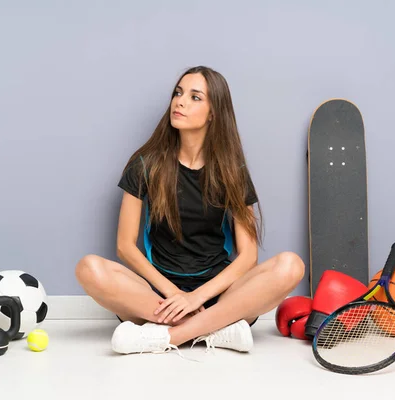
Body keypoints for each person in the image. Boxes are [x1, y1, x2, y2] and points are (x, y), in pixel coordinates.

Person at [75, 66, 304, 356]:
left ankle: (169, 336)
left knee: (290, 265)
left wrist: (197, 298)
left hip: (220, 295)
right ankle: (217, 331)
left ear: (213, 113)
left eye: (195, 97)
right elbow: (125, 247)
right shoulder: (145, 164)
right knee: (89, 268)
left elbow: (248, 256)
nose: (180, 102)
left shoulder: (232, 172)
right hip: (158, 297)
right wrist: (175, 295)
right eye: (178, 93)